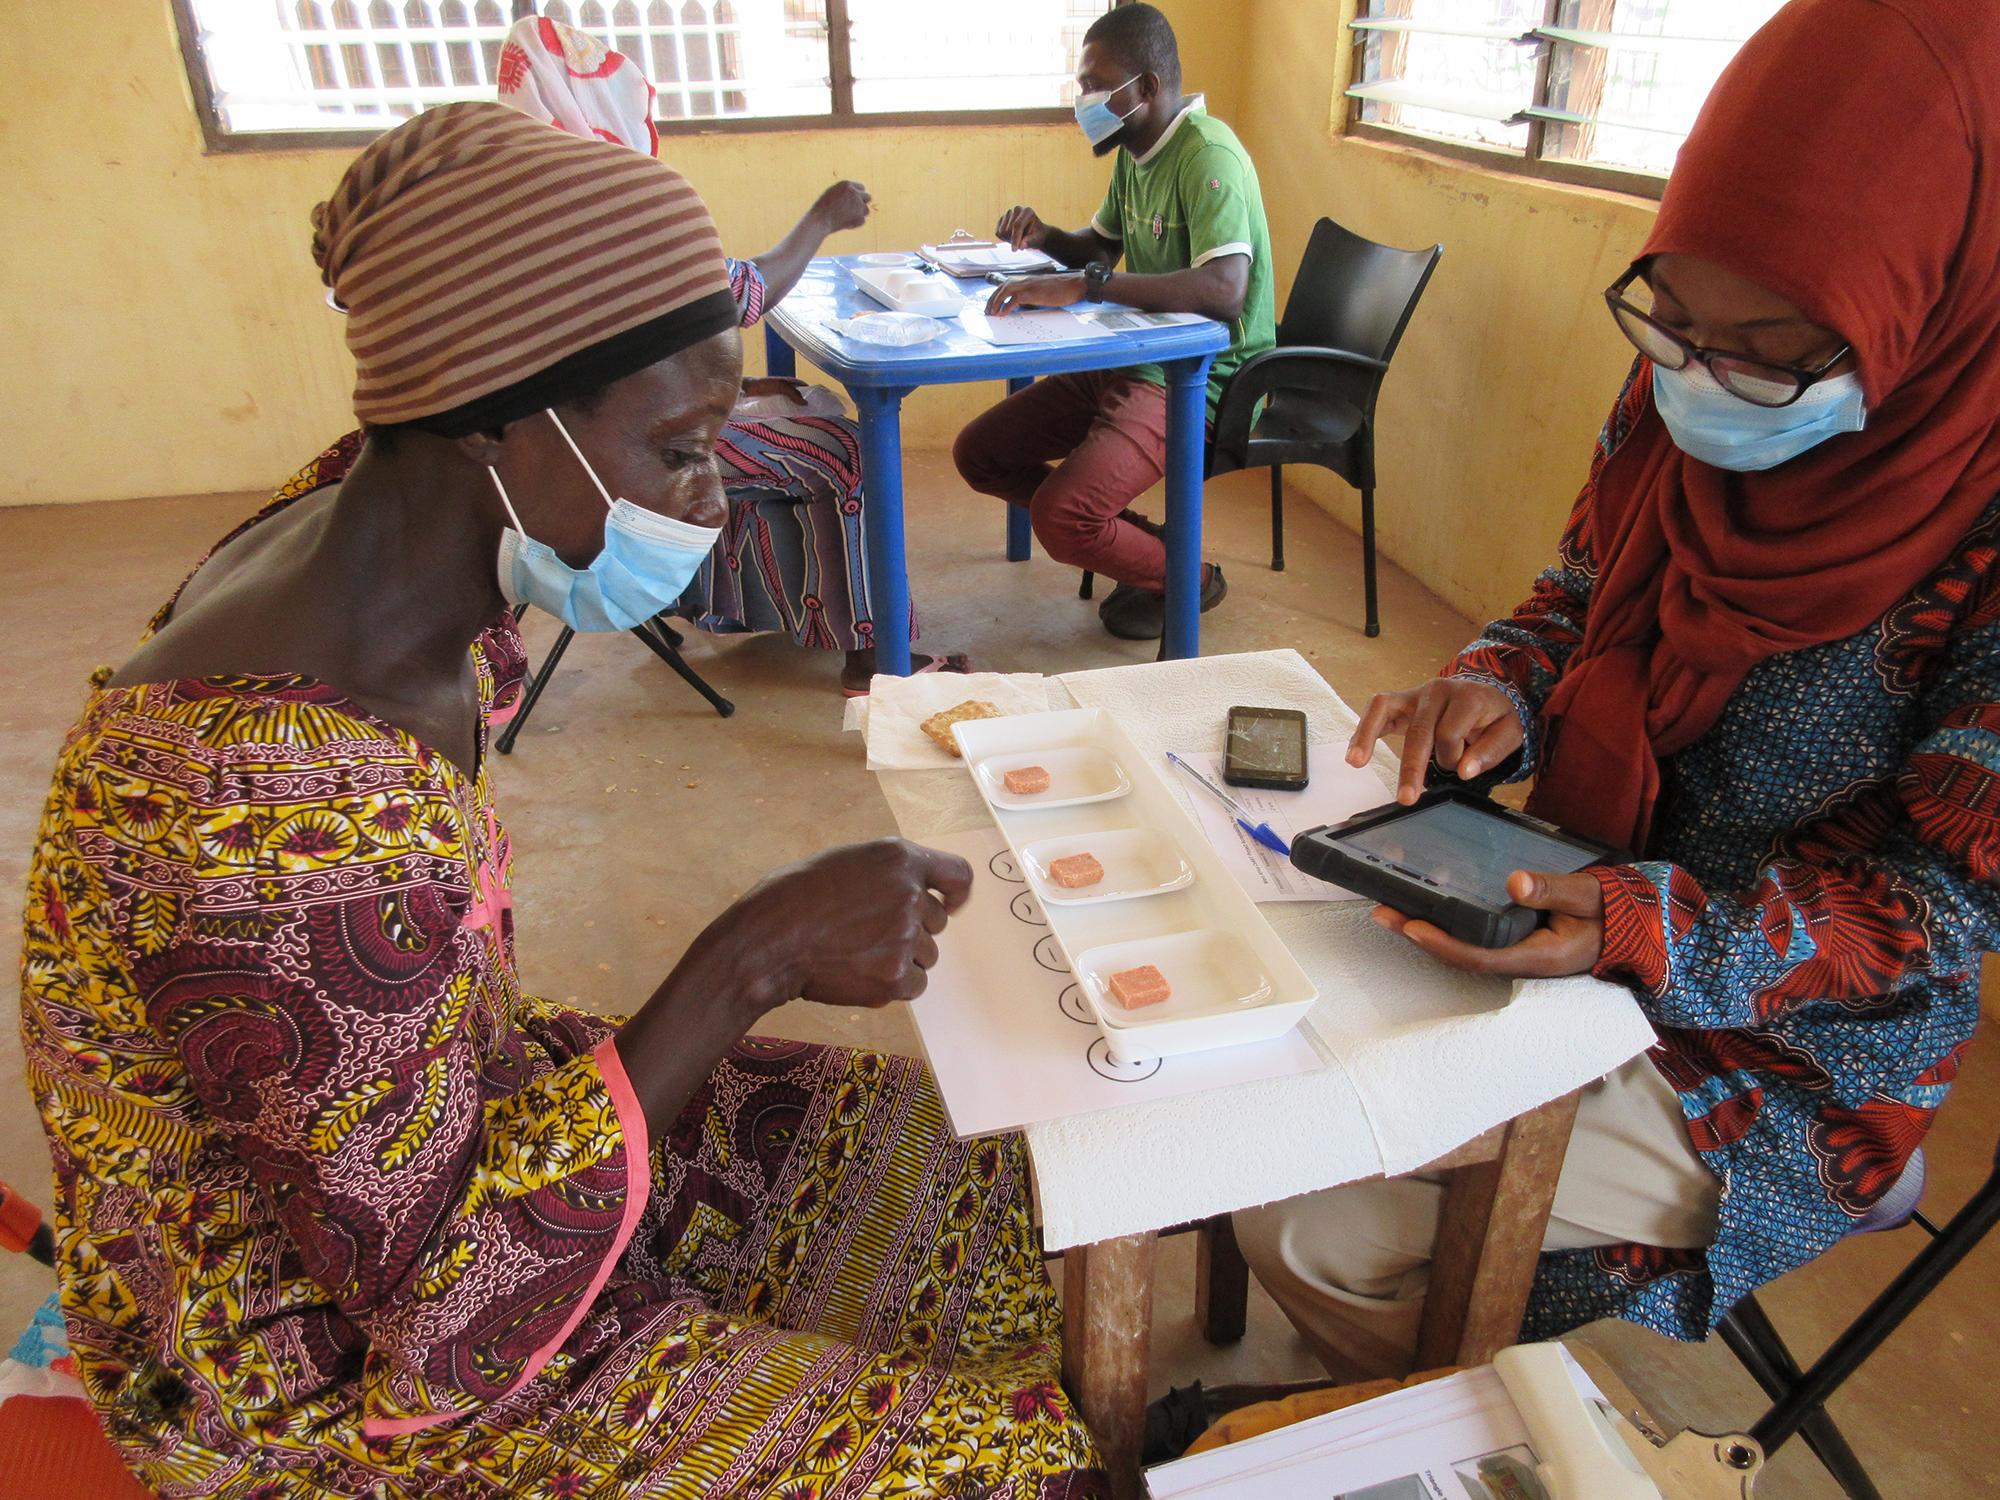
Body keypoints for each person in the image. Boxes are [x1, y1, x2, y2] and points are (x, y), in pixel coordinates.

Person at [18, 103, 1104, 1499]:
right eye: (680, 449)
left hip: (442, 1132)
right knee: (1010, 1468)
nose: (710, 501)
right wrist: (751, 958)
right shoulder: (252, 811)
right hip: (317, 1379)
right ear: (500, 425)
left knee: (980, 1181)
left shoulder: (375, 516)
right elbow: (434, 1315)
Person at [1236, 0, 2000, 1381]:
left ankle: (1450, 1440)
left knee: (1316, 1234)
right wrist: (1497, 687)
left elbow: (1948, 901)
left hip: (1794, 1045)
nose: (1697, 380)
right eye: (1674, 317)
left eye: (1768, 350)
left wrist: (1643, 927)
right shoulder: (1683, 386)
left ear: (1936, 298)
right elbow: (1580, 594)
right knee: (1264, 1047)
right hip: (1576, 886)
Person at [494, 15, 966, 695]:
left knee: (801, 402)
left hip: (551, 464)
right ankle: (872, 656)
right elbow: (740, 296)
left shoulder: (515, 213)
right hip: (630, 464)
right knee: (846, 449)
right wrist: (823, 218)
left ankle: (737, 601)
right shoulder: (608, 204)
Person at [951, 3, 1275, 641]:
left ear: (1147, 88)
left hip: (1200, 376)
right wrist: (1044, 236)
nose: (1084, 100)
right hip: (1130, 353)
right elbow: (1098, 250)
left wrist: (1087, 284)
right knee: (980, 454)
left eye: (1096, 85)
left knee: (1062, 518)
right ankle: (1143, 545)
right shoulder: (1136, 151)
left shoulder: (1209, 157)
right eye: (1081, 86)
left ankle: (1191, 577)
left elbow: (1224, 290)